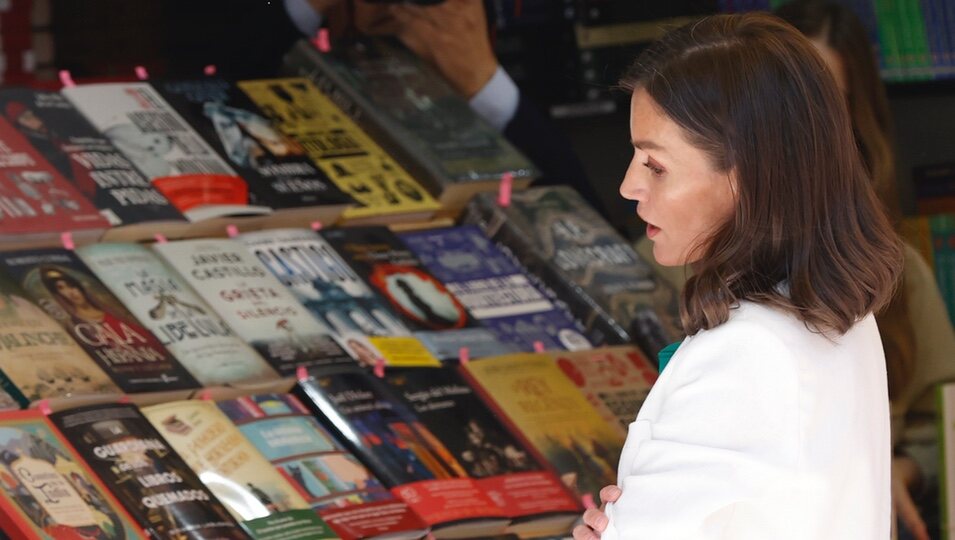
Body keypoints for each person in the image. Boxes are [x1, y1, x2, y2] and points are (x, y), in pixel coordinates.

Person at [574, 12, 902, 538]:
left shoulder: (747, 350)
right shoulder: (840, 318)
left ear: (746, 176)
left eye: (656, 165)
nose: (629, 185)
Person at [160, 0, 605, 217]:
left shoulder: (460, 30)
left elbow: (586, 224)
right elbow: (200, 88)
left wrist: (484, 86)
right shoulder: (263, 34)